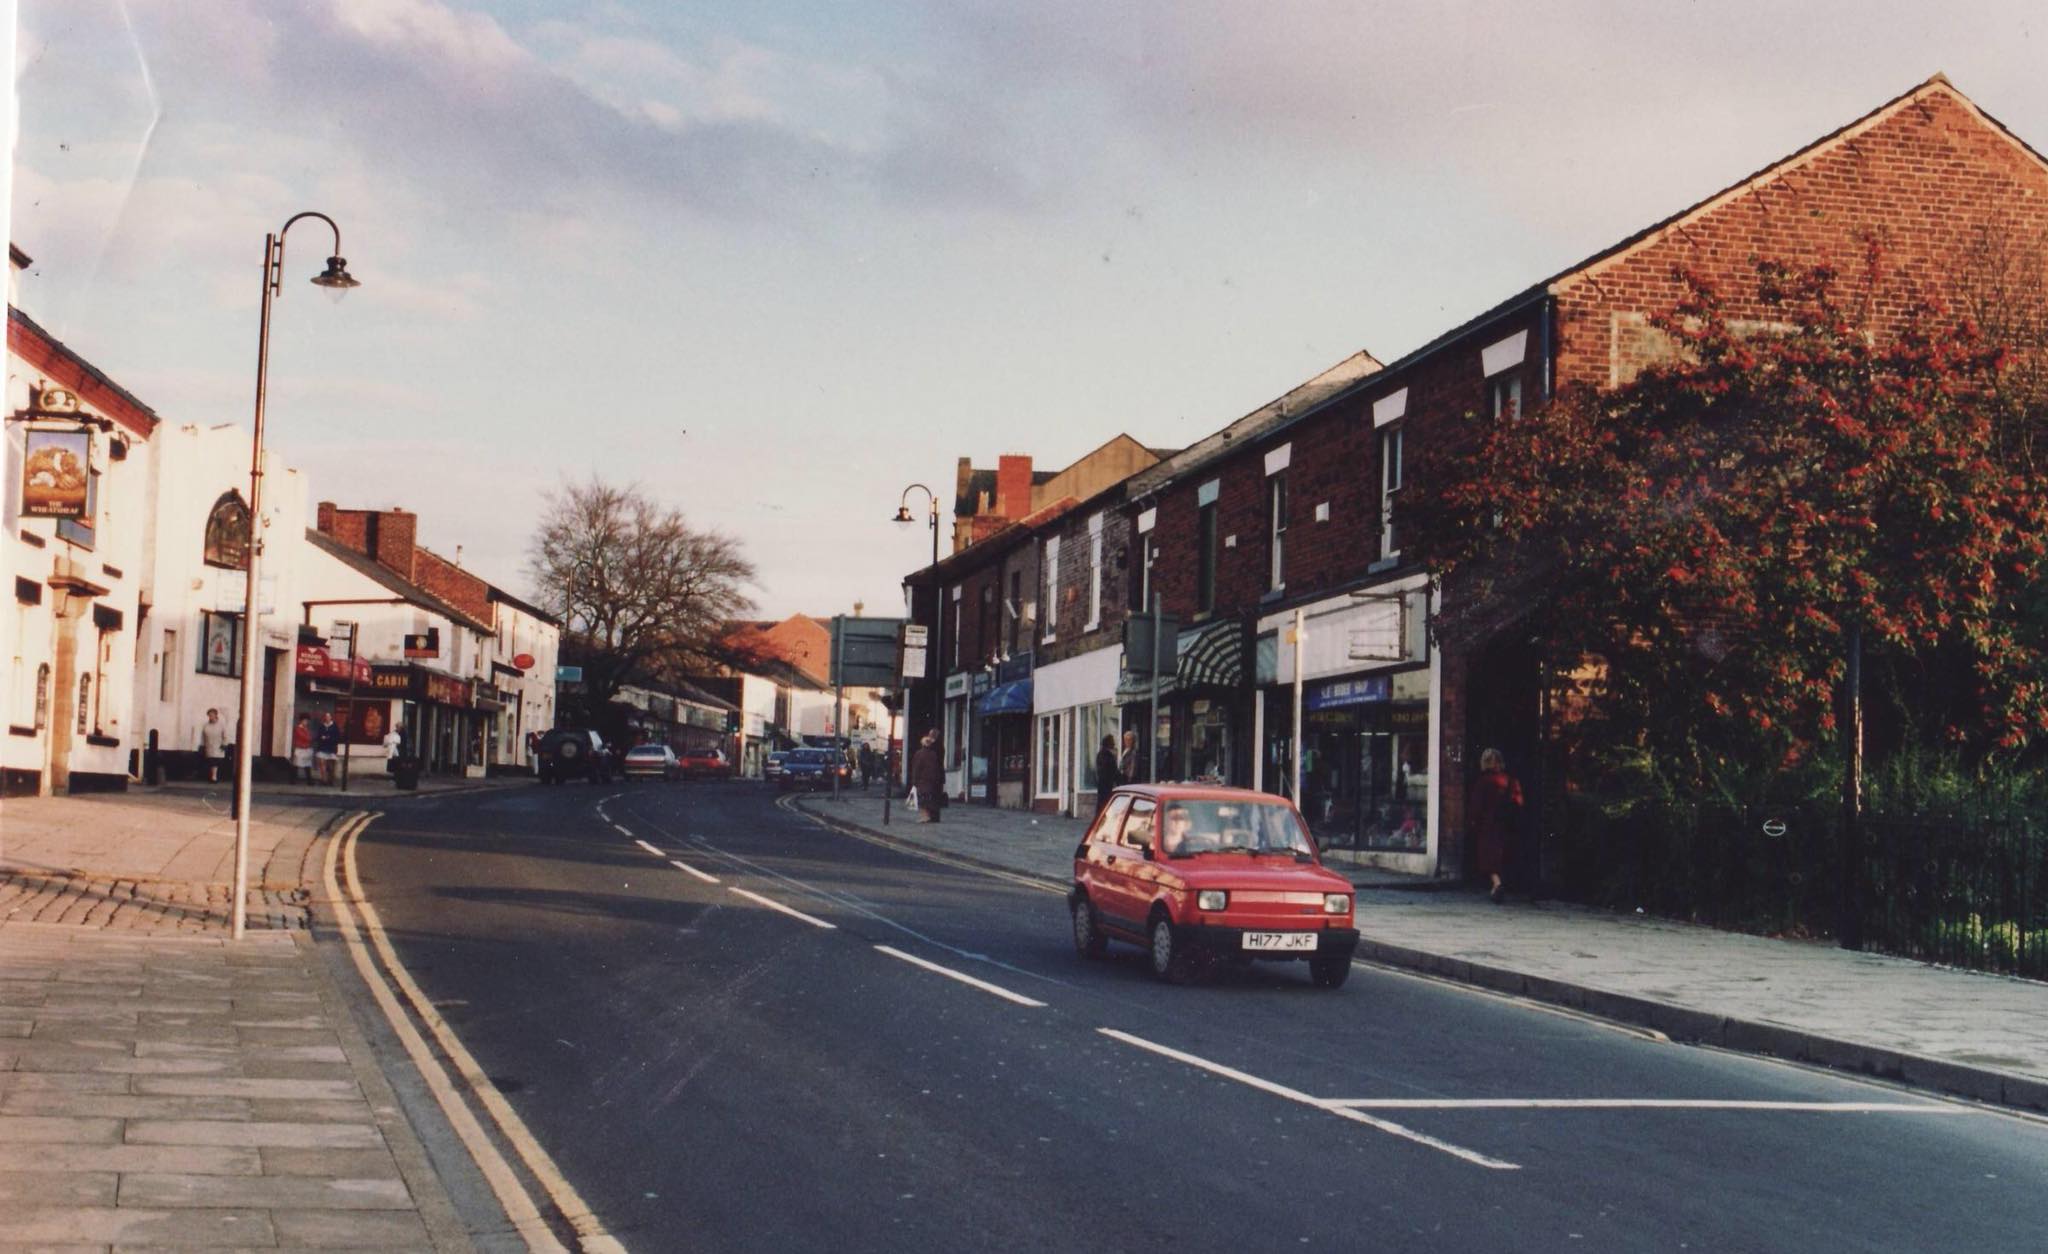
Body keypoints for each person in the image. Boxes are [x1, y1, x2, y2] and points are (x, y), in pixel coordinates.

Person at [1467, 747, 1525, 904]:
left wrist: (1473, 821)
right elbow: (1519, 803)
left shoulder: (1483, 782)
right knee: (1503, 854)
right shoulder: (1512, 781)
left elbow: (1476, 806)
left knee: (1488, 857)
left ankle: (1497, 883)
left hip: (1488, 824)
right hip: (1506, 824)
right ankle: (1501, 884)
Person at [910, 730, 944, 824]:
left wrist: (914, 781)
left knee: (921, 799)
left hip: (922, 780)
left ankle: (925, 816)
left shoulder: (919, 754)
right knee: (929, 798)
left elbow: (916, 768)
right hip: (932, 779)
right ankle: (930, 817)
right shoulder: (933, 754)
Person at [1093, 734, 1120, 818]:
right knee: (1105, 801)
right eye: (1112, 742)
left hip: (1103, 783)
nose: (1114, 744)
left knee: (1102, 801)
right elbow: (1111, 769)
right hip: (1106, 783)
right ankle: (1101, 817)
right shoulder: (1106, 755)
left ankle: (1099, 817)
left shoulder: (1101, 754)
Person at [198, 708, 228, 782]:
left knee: (215, 761)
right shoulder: (206, 725)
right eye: (209, 715)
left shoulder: (221, 725)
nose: (210, 717)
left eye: (212, 715)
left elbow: (225, 735)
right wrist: (202, 745)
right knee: (210, 761)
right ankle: (212, 777)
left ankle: (214, 777)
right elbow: (203, 736)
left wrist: (224, 744)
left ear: (215, 715)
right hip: (209, 745)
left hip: (218, 746)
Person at [314, 712, 342, 786]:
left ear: (331, 717)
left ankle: (330, 780)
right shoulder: (322, 726)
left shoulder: (334, 726)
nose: (327, 718)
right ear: (324, 718)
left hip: (331, 747)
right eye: (326, 717)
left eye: (328, 716)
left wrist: (328, 738)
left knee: (330, 766)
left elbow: (337, 737)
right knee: (322, 764)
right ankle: (324, 780)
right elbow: (318, 736)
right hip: (322, 747)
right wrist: (321, 737)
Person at [291, 716, 315, 784]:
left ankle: (309, 781)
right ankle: (293, 780)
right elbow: (305, 737)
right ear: (301, 721)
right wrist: (310, 738)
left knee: (307, 765)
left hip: (306, 748)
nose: (306, 722)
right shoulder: (298, 728)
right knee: (296, 764)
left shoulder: (306, 729)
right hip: (300, 748)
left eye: (307, 721)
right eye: (305, 721)